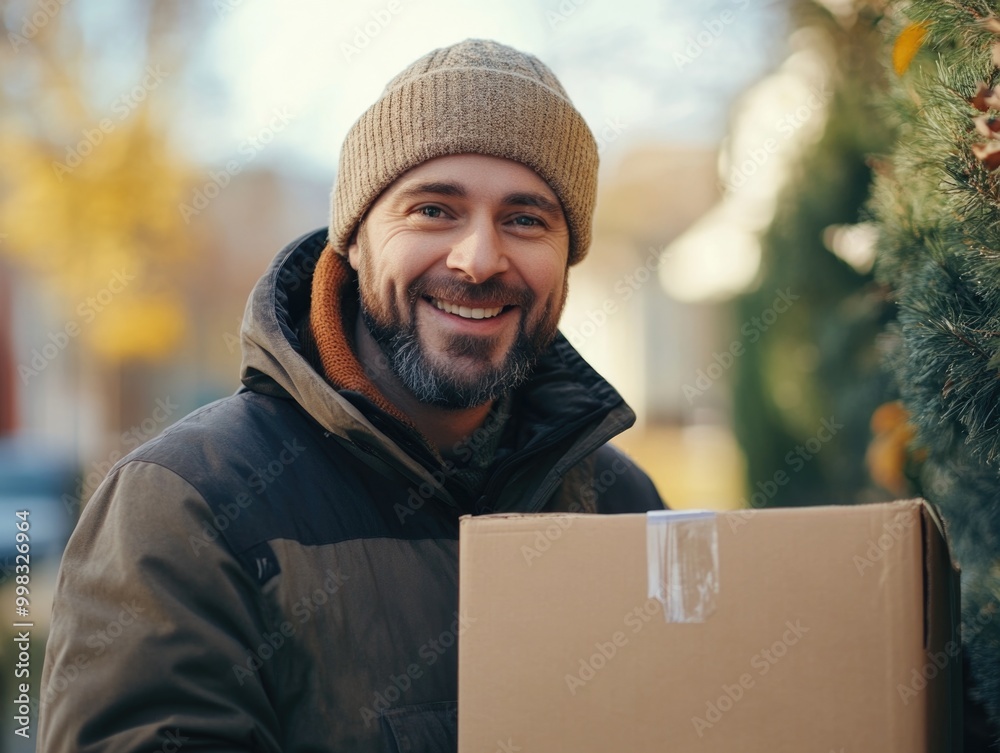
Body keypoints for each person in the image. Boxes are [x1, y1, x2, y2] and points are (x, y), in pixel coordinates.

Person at [38, 38, 664, 752]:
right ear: (356, 240)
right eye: (434, 210)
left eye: (526, 219)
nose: (480, 258)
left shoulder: (623, 506)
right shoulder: (186, 506)